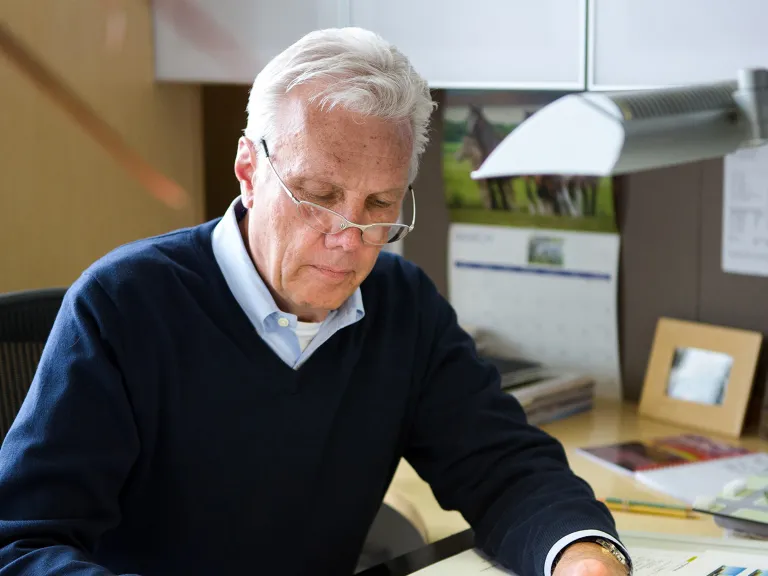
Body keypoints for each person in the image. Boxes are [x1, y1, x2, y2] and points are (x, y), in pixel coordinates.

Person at [0, 28, 631, 576]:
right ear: (248, 168)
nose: (350, 238)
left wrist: (581, 556)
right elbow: (21, 545)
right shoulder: (122, 307)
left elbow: (505, 469)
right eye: (318, 194)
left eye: (380, 205)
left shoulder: (401, 307)